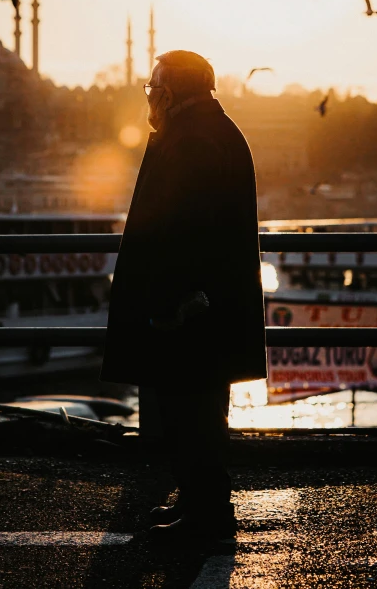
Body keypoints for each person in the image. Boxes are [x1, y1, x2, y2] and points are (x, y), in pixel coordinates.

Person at [100, 50, 266, 543]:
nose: (149, 96)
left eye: (154, 88)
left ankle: (207, 514)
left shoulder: (193, 140)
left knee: (190, 412)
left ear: (170, 92)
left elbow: (184, 231)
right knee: (198, 412)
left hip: (191, 311)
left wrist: (170, 301)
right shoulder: (208, 131)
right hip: (205, 306)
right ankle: (200, 503)